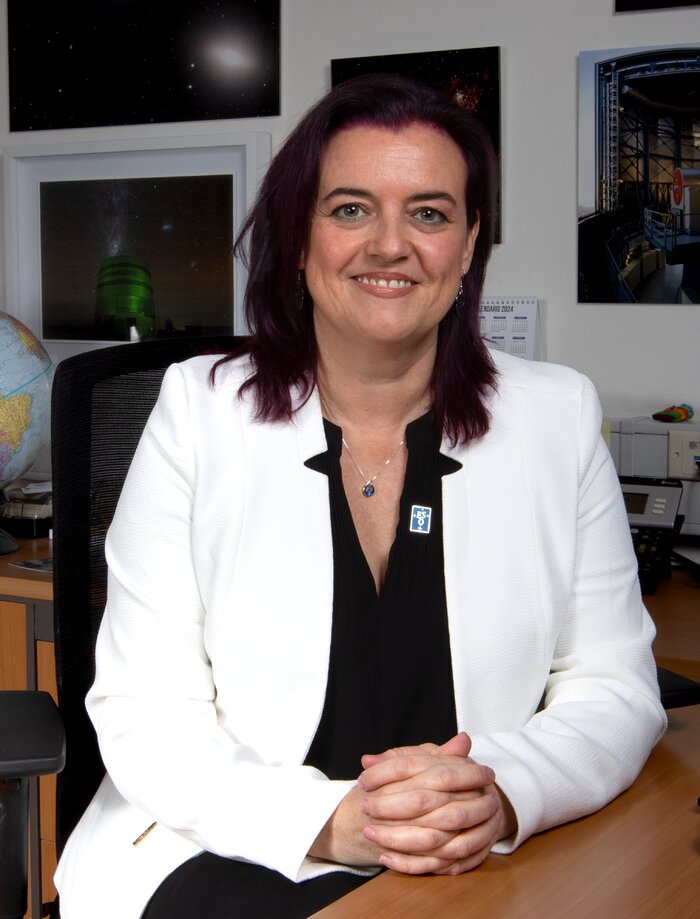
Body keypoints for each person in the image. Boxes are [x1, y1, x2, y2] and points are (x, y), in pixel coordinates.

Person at [54, 74, 666, 919]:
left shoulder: (557, 416)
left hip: (469, 859)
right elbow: (143, 709)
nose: (391, 244)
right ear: (298, 240)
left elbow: (614, 683)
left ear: (468, 242)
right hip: (232, 840)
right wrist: (331, 821)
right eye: (349, 209)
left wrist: (503, 792)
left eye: (429, 212)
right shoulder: (198, 411)